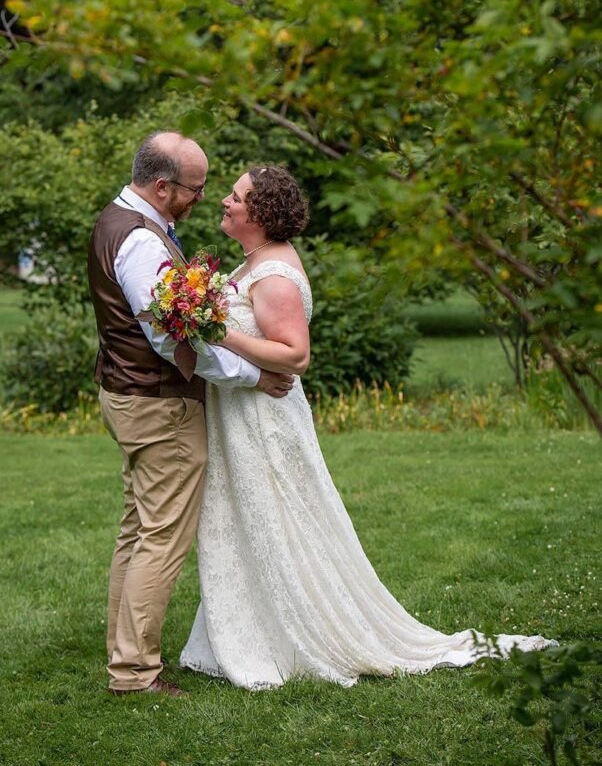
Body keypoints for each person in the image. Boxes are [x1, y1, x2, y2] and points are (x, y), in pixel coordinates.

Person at [180, 165, 555, 689]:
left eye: (236, 196)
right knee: (250, 517)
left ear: (260, 213)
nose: (224, 201)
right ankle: (254, 627)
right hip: (242, 413)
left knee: (278, 514)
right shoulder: (255, 262)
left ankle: (297, 633)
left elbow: (295, 355)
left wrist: (217, 330)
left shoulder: (273, 274)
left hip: (264, 419)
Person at [88, 133, 293, 697]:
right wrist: (253, 376)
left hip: (129, 395)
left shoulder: (117, 220)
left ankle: (124, 654)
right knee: (159, 538)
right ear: (162, 186)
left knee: (137, 532)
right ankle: (133, 673)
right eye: (196, 189)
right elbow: (170, 338)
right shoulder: (142, 244)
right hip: (157, 405)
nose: (203, 199)